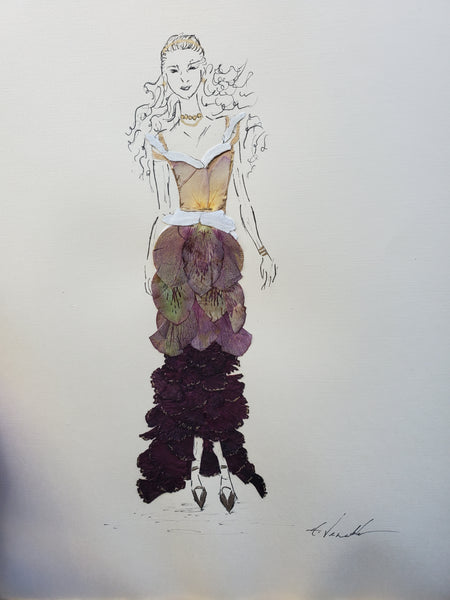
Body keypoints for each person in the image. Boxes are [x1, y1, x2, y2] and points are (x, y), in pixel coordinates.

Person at [127, 34, 276, 512]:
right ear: (164, 77)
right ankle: (191, 466)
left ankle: (225, 464)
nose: (184, 78)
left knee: (217, 358)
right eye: (174, 70)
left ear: (204, 71)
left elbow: (244, 198)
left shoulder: (228, 126)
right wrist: (143, 261)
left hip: (220, 257)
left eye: (192, 68)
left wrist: (263, 249)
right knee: (183, 360)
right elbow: (158, 209)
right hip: (178, 255)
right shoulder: (161, 136)